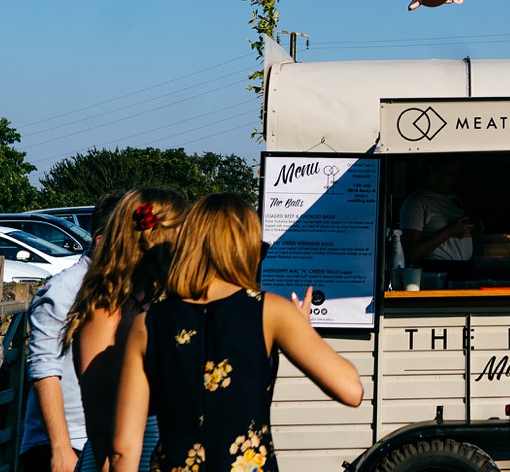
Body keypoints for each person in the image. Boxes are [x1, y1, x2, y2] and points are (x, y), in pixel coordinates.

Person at [109, 194, 363, 472]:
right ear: (245, 248)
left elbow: (123, 449)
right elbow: (350, 390)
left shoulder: (147, 324)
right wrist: (300, 326)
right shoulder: (269, 311)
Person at [67, 188, 190, 470]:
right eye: (182, 231)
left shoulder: (155, 301)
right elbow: (100, 423)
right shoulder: (105, 311)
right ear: (157, 236)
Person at [21, 190, 123, 472]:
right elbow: (44, 368)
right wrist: (60, 447)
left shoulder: (122, 290)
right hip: (66, 446)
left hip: (98, 440)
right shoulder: (64, 289)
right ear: (102, 242)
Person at [398, 155, 475, 275]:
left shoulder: (454, 200)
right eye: (450, 174)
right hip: (435, 271)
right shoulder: (416, 202)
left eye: (458, 175)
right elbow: (412, 253)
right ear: (433, 171)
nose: (455, 180)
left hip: (463, 269)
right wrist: (450, 231)